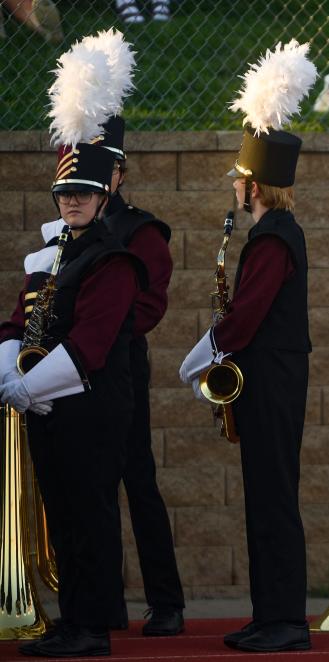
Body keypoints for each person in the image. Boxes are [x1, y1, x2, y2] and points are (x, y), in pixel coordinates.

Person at [179, 40, 316, 653]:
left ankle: (284, 620)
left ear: (254, 185)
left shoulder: (272, 241)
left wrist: (209, 347)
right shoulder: (275, 234)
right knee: (264, 498)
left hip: (273, 383)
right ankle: (270, 615)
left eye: (239, 180)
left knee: (273, 500)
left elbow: (249, 313)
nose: (233, 188)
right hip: (270, 381)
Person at [0, 143, 146, 658]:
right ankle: (72, 620)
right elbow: (18, 322)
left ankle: (93, 629)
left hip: (92, 407)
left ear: (105, 196)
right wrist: (8, 372)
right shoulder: (51, 256)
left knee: (90, 516)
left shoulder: (115, 259)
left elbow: (92, 344)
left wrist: (26, 388)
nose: (73, 201)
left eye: (84, 192)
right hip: (48, 406)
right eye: (65, 192)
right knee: (61, 516)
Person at [83, 116, 185, 635]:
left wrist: (97, 333)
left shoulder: (140, 231)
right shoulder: (66, 230)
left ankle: (166, 602)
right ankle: (102, 605)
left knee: (137, 481)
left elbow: (150, 305)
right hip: (70, 375)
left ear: (120, 174)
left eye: (104, 170)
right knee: (87, 488)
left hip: (119, 368)